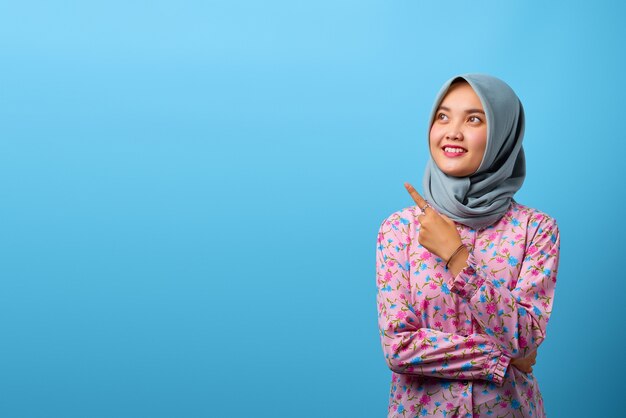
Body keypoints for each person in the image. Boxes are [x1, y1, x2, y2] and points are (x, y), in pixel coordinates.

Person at [375, 74, 560, 417]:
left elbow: (526, 337)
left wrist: (456, 256)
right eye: (442, 117)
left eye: (473, 119)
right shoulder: (399, 230)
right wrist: (499, 357)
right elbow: (399, 348)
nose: (452, 131)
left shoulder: (536, 230)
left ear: (503, 135)